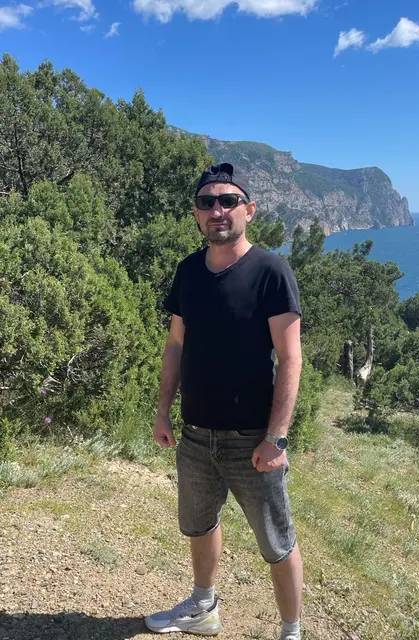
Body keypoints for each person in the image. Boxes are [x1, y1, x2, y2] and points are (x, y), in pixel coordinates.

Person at [145, 162, 303, 639]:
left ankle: (291, 631)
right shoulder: (188, 271)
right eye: (206, 202)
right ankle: (203, 607)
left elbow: (290, 358)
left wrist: (276, 437)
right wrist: (163, 411)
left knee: (276, 543)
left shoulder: (271, 271)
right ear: (196, 214)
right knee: (198, 525)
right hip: (195, 434)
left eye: (228, 201)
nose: (217, 210)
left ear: (248, 210)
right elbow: (176, 344)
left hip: (253, 439)